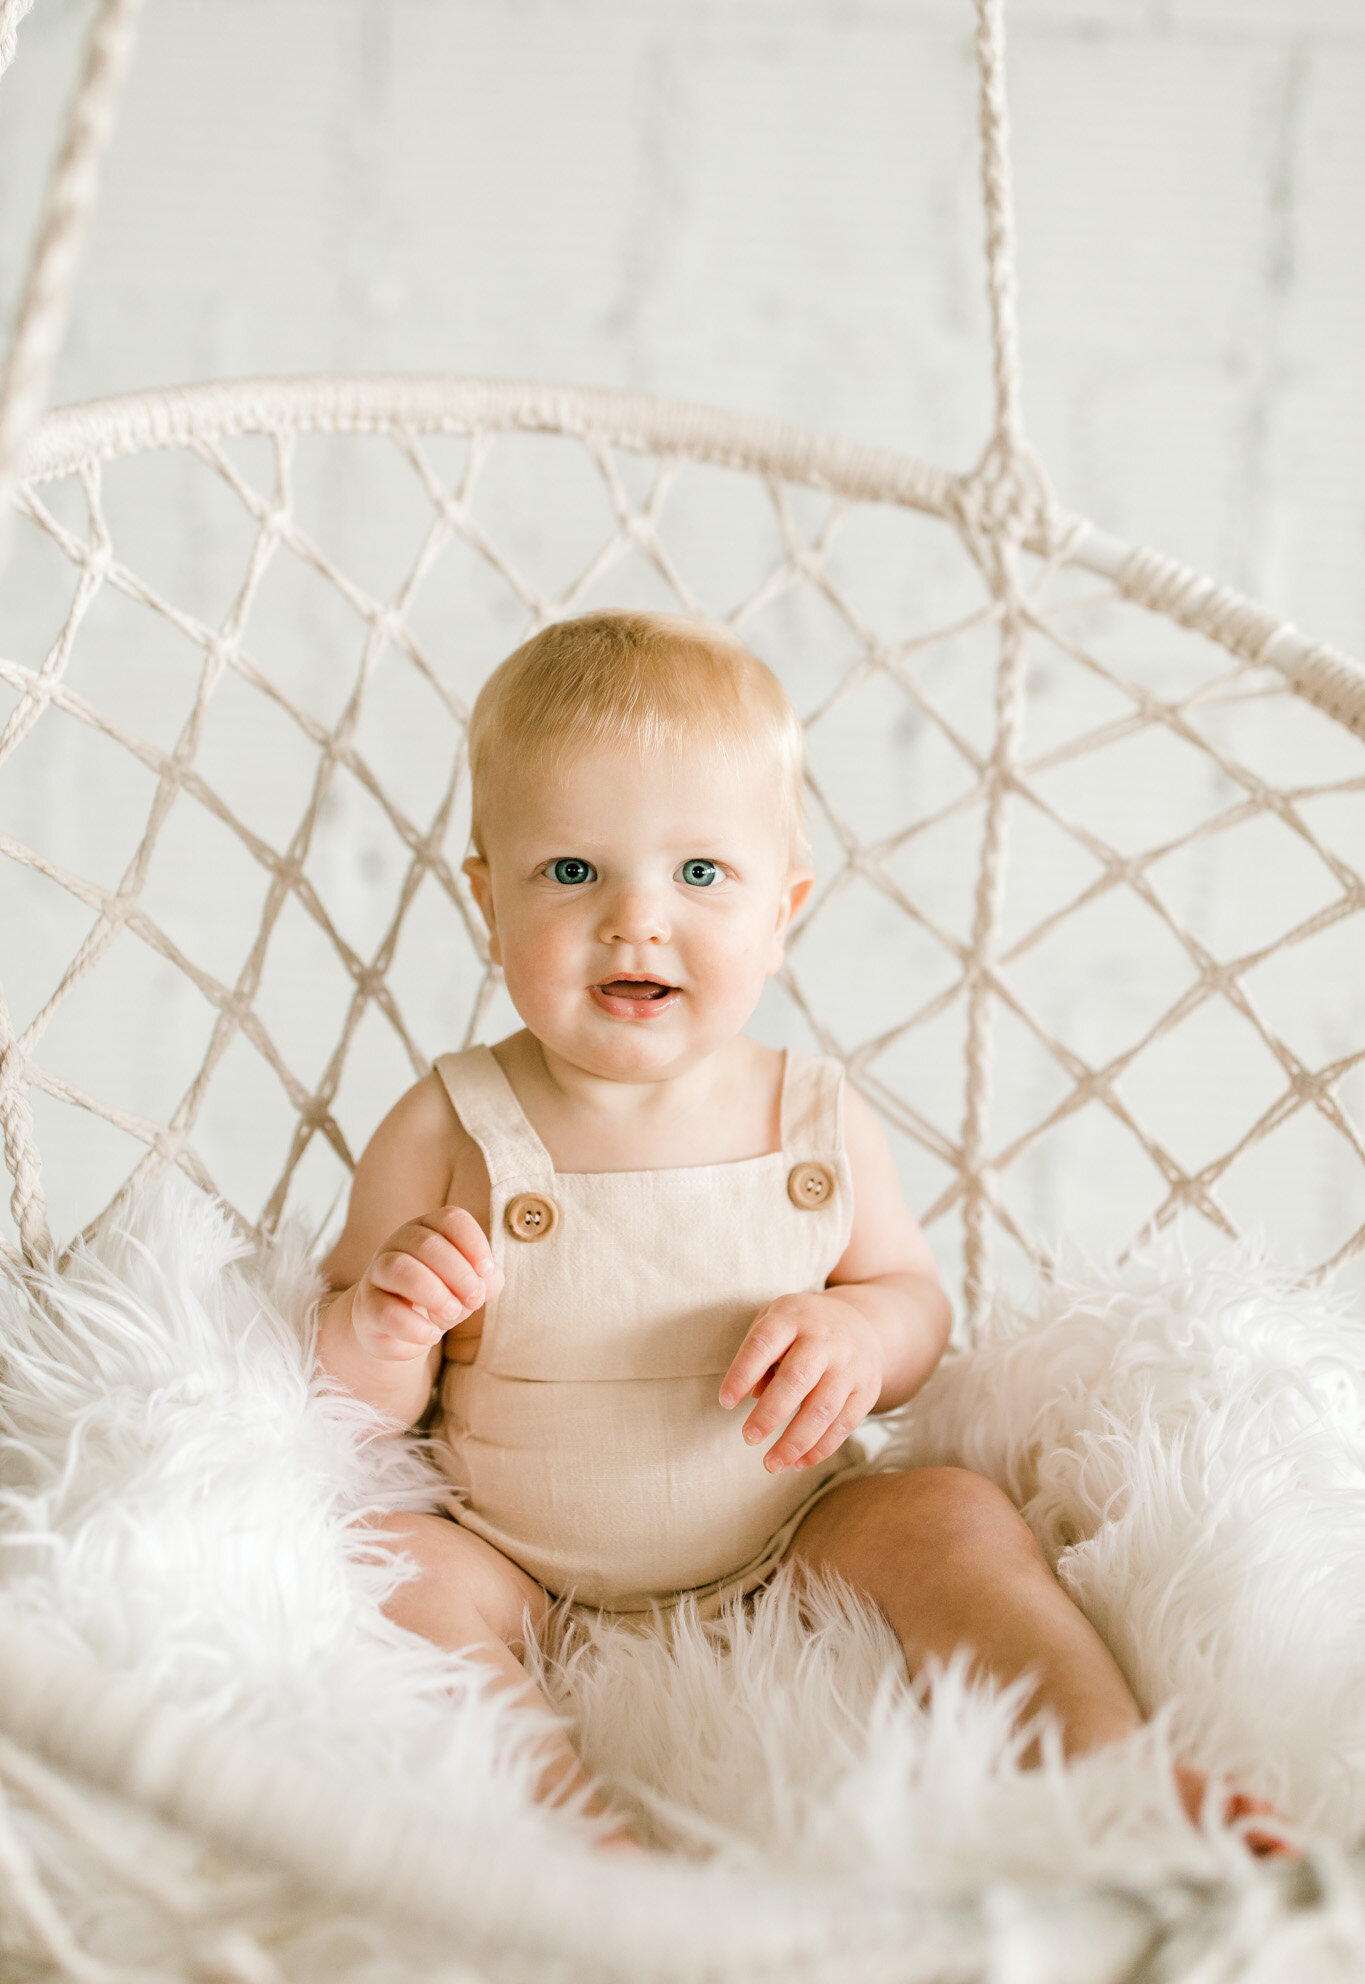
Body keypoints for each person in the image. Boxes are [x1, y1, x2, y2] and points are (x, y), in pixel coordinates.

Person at [313, 608, 1288, 1856]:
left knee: (948, 1514)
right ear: (486, 900)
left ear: (786, 908)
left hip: (787, 1533)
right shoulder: (450, 1121)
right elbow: (341, 1401)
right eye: (572, 872)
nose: (637, 921)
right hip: (516, 1556)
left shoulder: (813, 1116)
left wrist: (856, 1329)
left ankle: (1103, 1768)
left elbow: (914, 1301)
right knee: (395, 1565)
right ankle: (572, 1844)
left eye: (701, 874)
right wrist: (387, 1320)